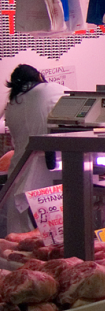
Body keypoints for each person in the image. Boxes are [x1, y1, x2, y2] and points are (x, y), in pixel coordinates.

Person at [2, 65, 65, 232]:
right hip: (51, 168)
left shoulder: (14, 102)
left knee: (21, 240)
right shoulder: (51, 89)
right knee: (52, 234)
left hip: (20, 168)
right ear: (38, 75)